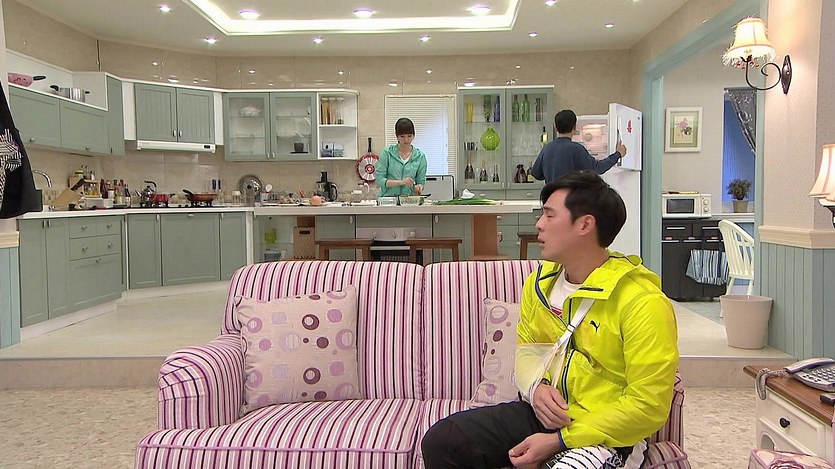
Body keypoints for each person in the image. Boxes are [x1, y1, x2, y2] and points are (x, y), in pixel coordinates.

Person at [421, 171, 679, 469]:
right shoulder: (539, 283)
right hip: (542, 415)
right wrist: (536, 389)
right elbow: (527, 351)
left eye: (549, 215)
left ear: (584, 224)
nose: (539, 224)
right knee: (443, 440)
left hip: (605, 431)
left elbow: (648, 405)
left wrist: (560, 441)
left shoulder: (642, 301)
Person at [531, 110, 627, 183]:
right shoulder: (576, 149)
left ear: (555, 127)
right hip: (571, 199)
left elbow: (536, 174)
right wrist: (618, 154)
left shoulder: (547, 148)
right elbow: (597, 168)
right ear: (574, 127)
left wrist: (551, 172)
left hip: (551, 198)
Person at [375, 117, 427, 197]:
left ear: (414, 135)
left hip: (409, 200)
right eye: (402, 136)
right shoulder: (387, 153)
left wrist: (419, 187)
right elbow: (379, 180)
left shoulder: (420, 157)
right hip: (388, 199)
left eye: (409, 136)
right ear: (397, 136)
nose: (406, 140)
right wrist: (401, 182)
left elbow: (421, 181)